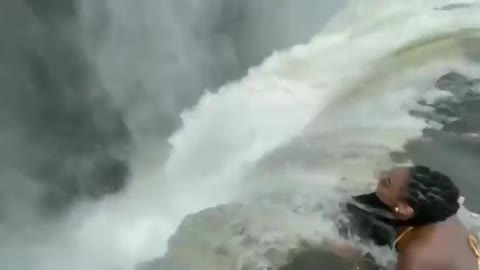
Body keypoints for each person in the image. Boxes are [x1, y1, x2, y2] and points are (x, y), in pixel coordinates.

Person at [343, 165, 480, 270]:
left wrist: (358, 261)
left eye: (385, 182)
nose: (378, 178)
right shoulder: (444, 213)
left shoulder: (415, 256)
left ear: (404, 209)